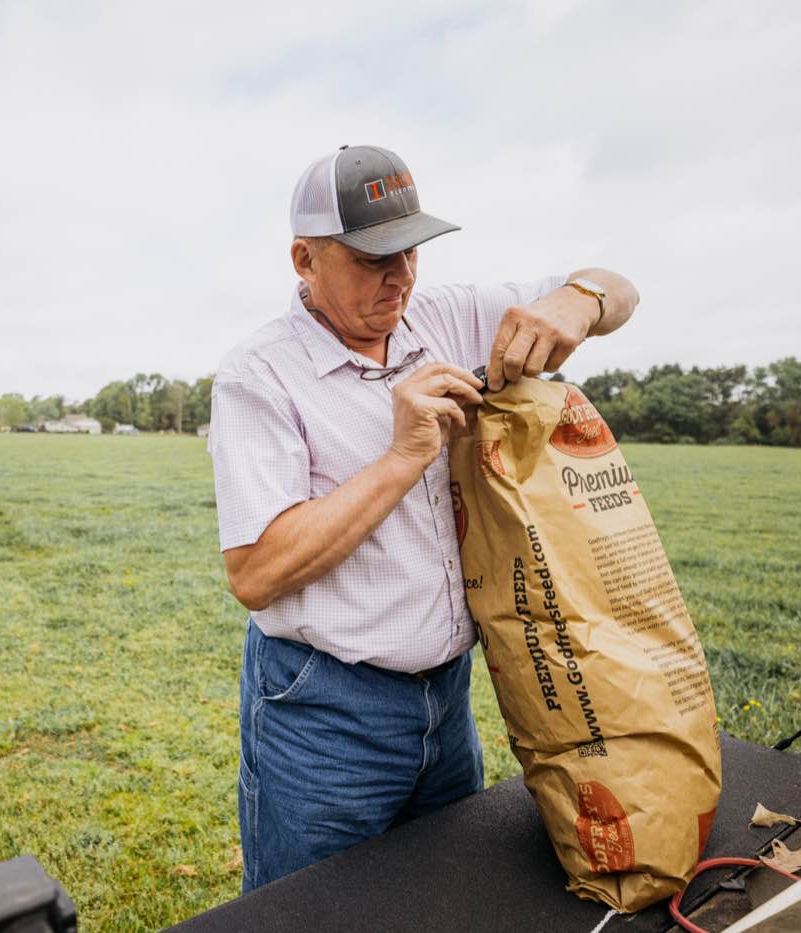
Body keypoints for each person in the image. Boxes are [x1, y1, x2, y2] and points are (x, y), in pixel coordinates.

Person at [207, 145, 638, 892]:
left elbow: (617, 285)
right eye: (373, 258)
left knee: (444, 896)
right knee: (314, 909)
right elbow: (257, 570)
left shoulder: (443, 315)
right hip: (325, 712)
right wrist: (403, 454)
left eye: (410, 251)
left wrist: (579, 301)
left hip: (449, 700)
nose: (400, 276)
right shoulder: (259, 375)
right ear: (304, 259)